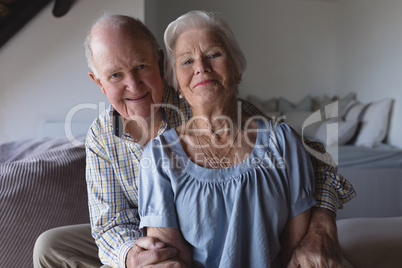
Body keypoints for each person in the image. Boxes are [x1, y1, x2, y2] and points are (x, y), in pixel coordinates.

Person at [33, 13, 355, 268]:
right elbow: (108, 224)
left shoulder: (200, 94)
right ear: (99, 83)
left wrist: (322, 222)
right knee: (49, 247)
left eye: (141, 66)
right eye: (115, 75)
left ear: (159, 61)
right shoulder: (102, 136)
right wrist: (131, 257)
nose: (133, 84)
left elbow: (310, 160)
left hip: (187, 239)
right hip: (139, 241)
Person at [138, 10, 316, 267]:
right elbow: (170, 258)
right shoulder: (159, 155)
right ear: (176, 83)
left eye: (213, 55)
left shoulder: (283, 141)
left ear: (237, 69)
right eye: (186, 61)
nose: (201, 67)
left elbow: (296, 252)